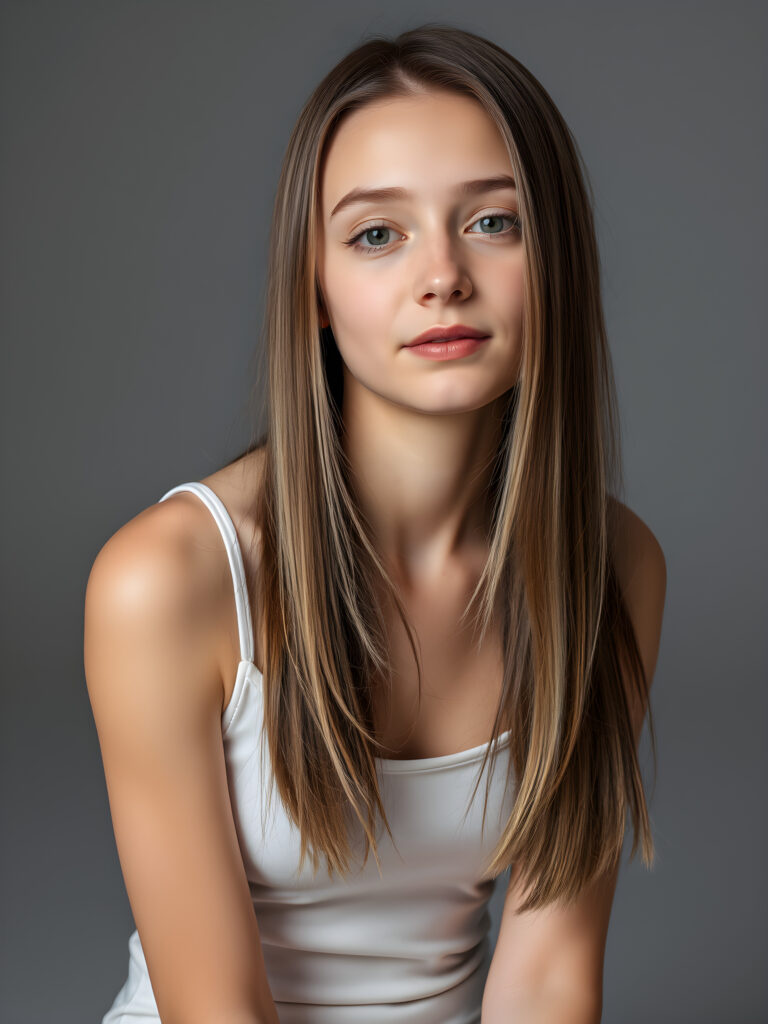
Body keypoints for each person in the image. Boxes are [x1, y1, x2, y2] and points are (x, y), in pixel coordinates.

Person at [84, 22, 667, 1024]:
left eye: (494, 222)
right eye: (376, 234)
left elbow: (548, 978)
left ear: (557, 257)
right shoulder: (168, 578)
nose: (441, 275)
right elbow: (214, 1007)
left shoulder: (613, 565)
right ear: (312, 287)